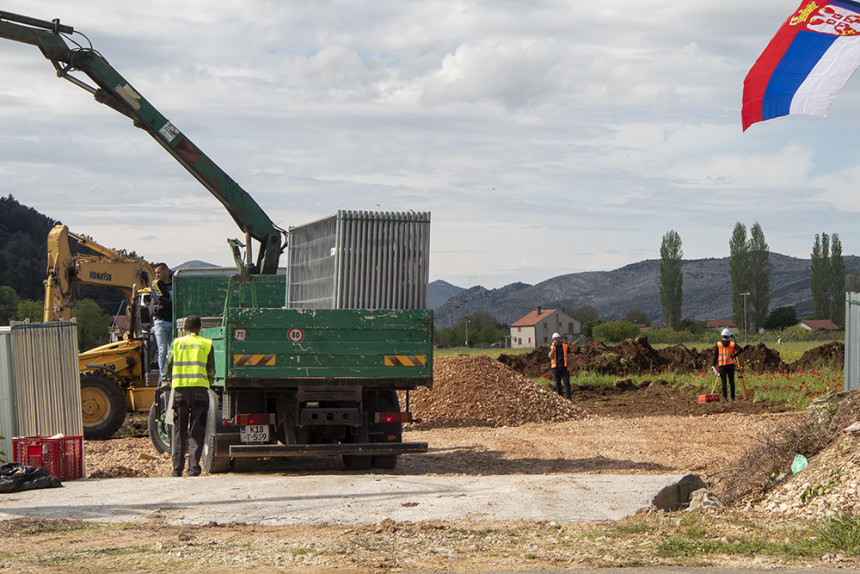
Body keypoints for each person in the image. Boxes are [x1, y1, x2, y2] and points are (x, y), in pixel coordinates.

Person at [165, 315, 215, 477]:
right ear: (200, 328)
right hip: (200, 392)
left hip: (180, 393)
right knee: (196, 431)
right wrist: (208, 382)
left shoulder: (177, 343)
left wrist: (169, 378)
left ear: (185, 329)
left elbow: (168, 366)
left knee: (179, 431)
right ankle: (193, 469)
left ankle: (177, 470)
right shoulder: (207, 344)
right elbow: (211, 370)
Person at [151, 263, 173, 381]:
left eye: (158, 272)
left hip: (173, 321)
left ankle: (172, 373)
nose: (157, 275)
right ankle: (163, 375)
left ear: (166, 271)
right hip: (161, 322)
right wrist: (174, 304)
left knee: (172, 349)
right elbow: (160, 299)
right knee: (162, 349)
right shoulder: (155, 284)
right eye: (156, 273)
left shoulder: (176, 281)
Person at [712, 328, 744, 402]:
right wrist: (734, 355)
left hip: (722, 366)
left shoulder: (718, 344)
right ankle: (732, 398)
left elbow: (715, 356)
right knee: (731, 381)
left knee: (724, 382)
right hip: (730, 365)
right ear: (729, 336)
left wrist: (713, 365)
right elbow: (741, 349)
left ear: (722, 335)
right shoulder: (732, 344)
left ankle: (725, 398)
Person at [548, 332, 571, 399]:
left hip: (564, 367)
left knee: (566, 382)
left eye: (557, 339)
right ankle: (560, 397)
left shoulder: (565, 347)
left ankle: (568, 397)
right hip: (555, 368)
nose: (556, 341)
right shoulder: (551, 347)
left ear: (560, 339)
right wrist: (553, 349)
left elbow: (569, 357)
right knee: (557, 383)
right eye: (555, 339)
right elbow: (550, 356)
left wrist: (569, 366)